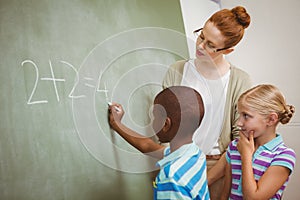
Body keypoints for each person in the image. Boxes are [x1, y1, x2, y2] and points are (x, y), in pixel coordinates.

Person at [110, 6, 252, 199]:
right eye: (201, 36)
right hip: (178, 162)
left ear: (228, 50)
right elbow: (165, 126)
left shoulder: (239, 81)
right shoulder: (177, 70)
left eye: (211, 45)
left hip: (218, 169)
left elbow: (239, 142)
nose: (200, 46)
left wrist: (204, 180)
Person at [109, 86, 210, 199]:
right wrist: (117, 124)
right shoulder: (194, 154)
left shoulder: (170, 177)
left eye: (154, 116)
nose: (152, 121)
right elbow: (148, 146)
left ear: (166, 125)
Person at [221, 84, 296, 200]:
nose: (239, 123)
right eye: (239, 115)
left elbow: (253, 198)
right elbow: (225, 194)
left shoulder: (284, 156)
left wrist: (246, 156)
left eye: (246, 116)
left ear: (271, 119)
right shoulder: (235, 146)